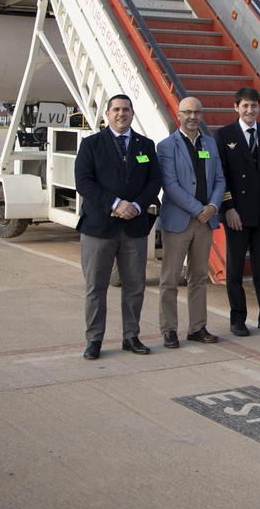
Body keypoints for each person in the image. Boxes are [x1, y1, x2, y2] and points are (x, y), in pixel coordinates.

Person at [72, 94, 160, 359]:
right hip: (99, 227)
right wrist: (115, 203)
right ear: (107, 114)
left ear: (133, 114)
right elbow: (84, 182)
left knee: (135, 286)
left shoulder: (146, 145)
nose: (121, 114)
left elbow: (154, 181)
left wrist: (135, 205)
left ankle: (131, 336)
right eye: (116, 110)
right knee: (95, 288)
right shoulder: (91, 144)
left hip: (134, 227)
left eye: (126, 109)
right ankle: (94, 339)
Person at [215, 86, 260, 337]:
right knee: (235, 270)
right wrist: (228, 208)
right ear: (236, 107)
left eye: (254, 106)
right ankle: (238, 319)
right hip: (237, 214)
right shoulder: (224, 134)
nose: (250, 110)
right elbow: (220, 175)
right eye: (245, 105)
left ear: (259, 108)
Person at [155, 96, 224, 348]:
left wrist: (213, 207)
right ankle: (169, 329)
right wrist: (198, 209)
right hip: (179, 221)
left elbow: (219, 179)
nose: (192, 117)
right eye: (187, 112)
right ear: (178, 114)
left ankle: (197, 327)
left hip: (205, 222)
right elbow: (170, 186)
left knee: (198, 277)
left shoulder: (209, 144)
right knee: (171, 278)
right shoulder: (166, 146)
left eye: (197, 112)